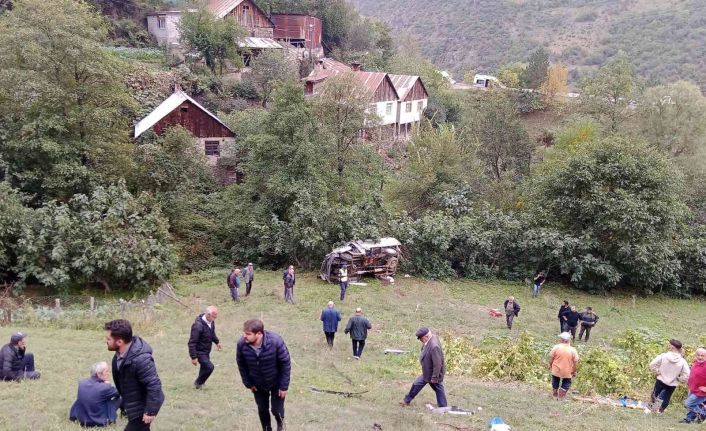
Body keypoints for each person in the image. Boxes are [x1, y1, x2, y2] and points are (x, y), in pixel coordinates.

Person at [104, 319, 164, 431]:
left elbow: (154, 385)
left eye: (108, 339)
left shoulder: (141, 359)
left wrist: (150, 411)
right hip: (132, 401)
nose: (106, 341)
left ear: (120, 342)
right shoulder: (120, 354)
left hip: (144, 405)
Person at [236, 319, 291, 431]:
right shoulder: (242, 344)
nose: (244, 336)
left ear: (259, 333)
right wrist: (248, 383)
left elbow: (285, 363)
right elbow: (241, 364)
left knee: (276, 410)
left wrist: (284, 386)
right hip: (257, 383)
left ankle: (281, 425)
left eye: (248, 334)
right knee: (262, 409)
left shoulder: (275, 341)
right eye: (244, 333)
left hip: (276, 381)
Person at [400, 327, 447, 408]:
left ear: (426, 336)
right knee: (417, 384)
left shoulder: (434, 346)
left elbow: (438, 363)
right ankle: (406, 400)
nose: (420, 340)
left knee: (438, 388)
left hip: (433, 374)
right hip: (428, 372)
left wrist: (435, 377)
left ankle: (443, 407)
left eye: (421, 338)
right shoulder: (431, 339)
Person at [69, 361, 122, 427]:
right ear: (99, 374)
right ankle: (125, 413)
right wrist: (109, 385)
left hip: (82, 420)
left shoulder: (82, 383)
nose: (108, 373)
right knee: (123, 396)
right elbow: (119, 392)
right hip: (99, 422)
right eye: (106, 371)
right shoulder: (104, 387)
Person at [649, 339, 690, 413]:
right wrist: (679, 379)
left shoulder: (663, 356)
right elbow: (687, 374)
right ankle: (661, 411)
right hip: (672, 383)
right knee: (666, 398)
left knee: (655, 394)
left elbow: (652, 364)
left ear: (672, 347)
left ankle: (652, 410)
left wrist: (657, 372)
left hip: (660, 379)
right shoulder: (682, 361)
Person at [188, 306, 222, 389]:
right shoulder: (198, 326)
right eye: (214, 317)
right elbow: (192, 342)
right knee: (209, 367)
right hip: (199, 352)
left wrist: (217, 342)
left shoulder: (211, 322)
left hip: (206, 350)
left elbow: (212, 333)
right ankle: (198, 383)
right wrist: (193, 357)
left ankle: (200, 384)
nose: (215, 319)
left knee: (204, 367)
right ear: (208, 314)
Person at [548, 332, 579, 400]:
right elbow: (575, 362)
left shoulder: (556, 347)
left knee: (555, 380)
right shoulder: (573, 350)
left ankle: (555, 395)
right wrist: (574, 371)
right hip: (567, 371)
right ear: (569, 340)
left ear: (562, 340)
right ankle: (561, 397)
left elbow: (551, 358)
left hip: (556, 369)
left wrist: (550, 365)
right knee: (567, 382)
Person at [681, 348, 706, 423]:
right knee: (693, 405)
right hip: (692, 388)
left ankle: (703, 414)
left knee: (688, 404)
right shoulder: (695, 362)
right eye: (698, 355)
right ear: (695, 355)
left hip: (700, 391)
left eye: (702, 355)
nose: (700, 357)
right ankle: (689, 419)